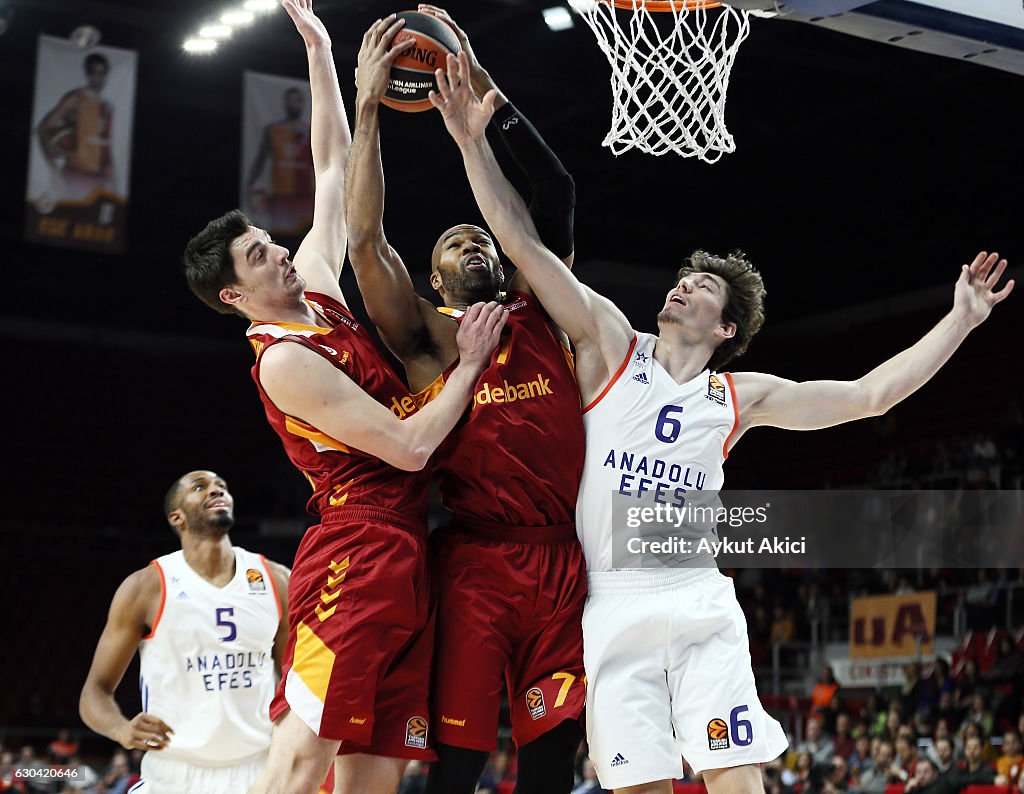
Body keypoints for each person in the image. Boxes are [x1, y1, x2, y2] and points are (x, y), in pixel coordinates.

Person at [428, 48, 1014, 794]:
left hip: (697, 598)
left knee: (736, 783)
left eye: (699, 287)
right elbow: (521, 242)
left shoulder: (738, 397)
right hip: (608, 604)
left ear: (725, 327)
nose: (680, 288)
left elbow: (871, 395)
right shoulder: (610, 343)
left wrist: (960, 322)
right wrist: (471, 143)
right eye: (679, 280)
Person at [181, 5, 504, 793]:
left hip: (409, 549)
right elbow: (409, 446)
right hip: (355, 556)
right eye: (260, 255)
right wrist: (468, 365)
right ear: (234, 294)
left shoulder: (318, 293)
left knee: (376, 772)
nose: (281, 251)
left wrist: (323, 56)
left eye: (272, 240)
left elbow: (332, 172)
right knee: (302, 758)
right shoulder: (284, 362)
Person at [346, 6, 586, 793]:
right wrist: (369, 110)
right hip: (478, 562)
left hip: (564, 559)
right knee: (460, 764)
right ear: (437, 278)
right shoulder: (426, 340)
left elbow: (553, 187)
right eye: (455, 243)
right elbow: (364, 243)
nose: (473, 242)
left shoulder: (544, 306)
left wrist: (478, 80)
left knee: (554, 762)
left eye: (479, 235)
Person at [79, 470, 289, 793]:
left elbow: (296, 683)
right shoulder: (145, 588)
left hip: (260, 771)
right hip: (173, 775)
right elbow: (95, 692)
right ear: (176, 517)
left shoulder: (276, 580)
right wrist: (121, 729)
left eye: (222, 486)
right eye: (200, 487)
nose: (216, 490)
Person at [36, 52, 114, 200]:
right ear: (88, 74)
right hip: (77, 175)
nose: (99, 78)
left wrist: (113, 178)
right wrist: (53, 168)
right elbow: (42, 129)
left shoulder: (107, 107)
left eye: (102, 73)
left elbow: (107, 146)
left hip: (101, 178)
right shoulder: (76, 98)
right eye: (95, 72)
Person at [246, 86, 315, 233]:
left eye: (297, 101)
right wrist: (250, 183)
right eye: (290, 101)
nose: (293, 104)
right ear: (285, 104)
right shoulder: (272, 129)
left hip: (304, 196)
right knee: (279, 235)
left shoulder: (311, 131)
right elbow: (260, 159)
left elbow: (318, 165)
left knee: (304, 235)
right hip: (280, 194)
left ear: (303, 104)